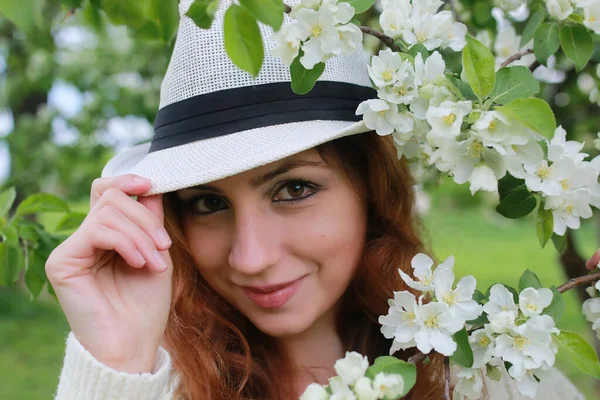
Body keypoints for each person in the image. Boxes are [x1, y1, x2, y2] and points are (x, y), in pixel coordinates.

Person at [46, 1, 585, 399]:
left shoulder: (487, 377)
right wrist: (114, 360)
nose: (250, 258)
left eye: (294, 190)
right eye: (208, 204)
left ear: (369, 189)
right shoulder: (152, 385)